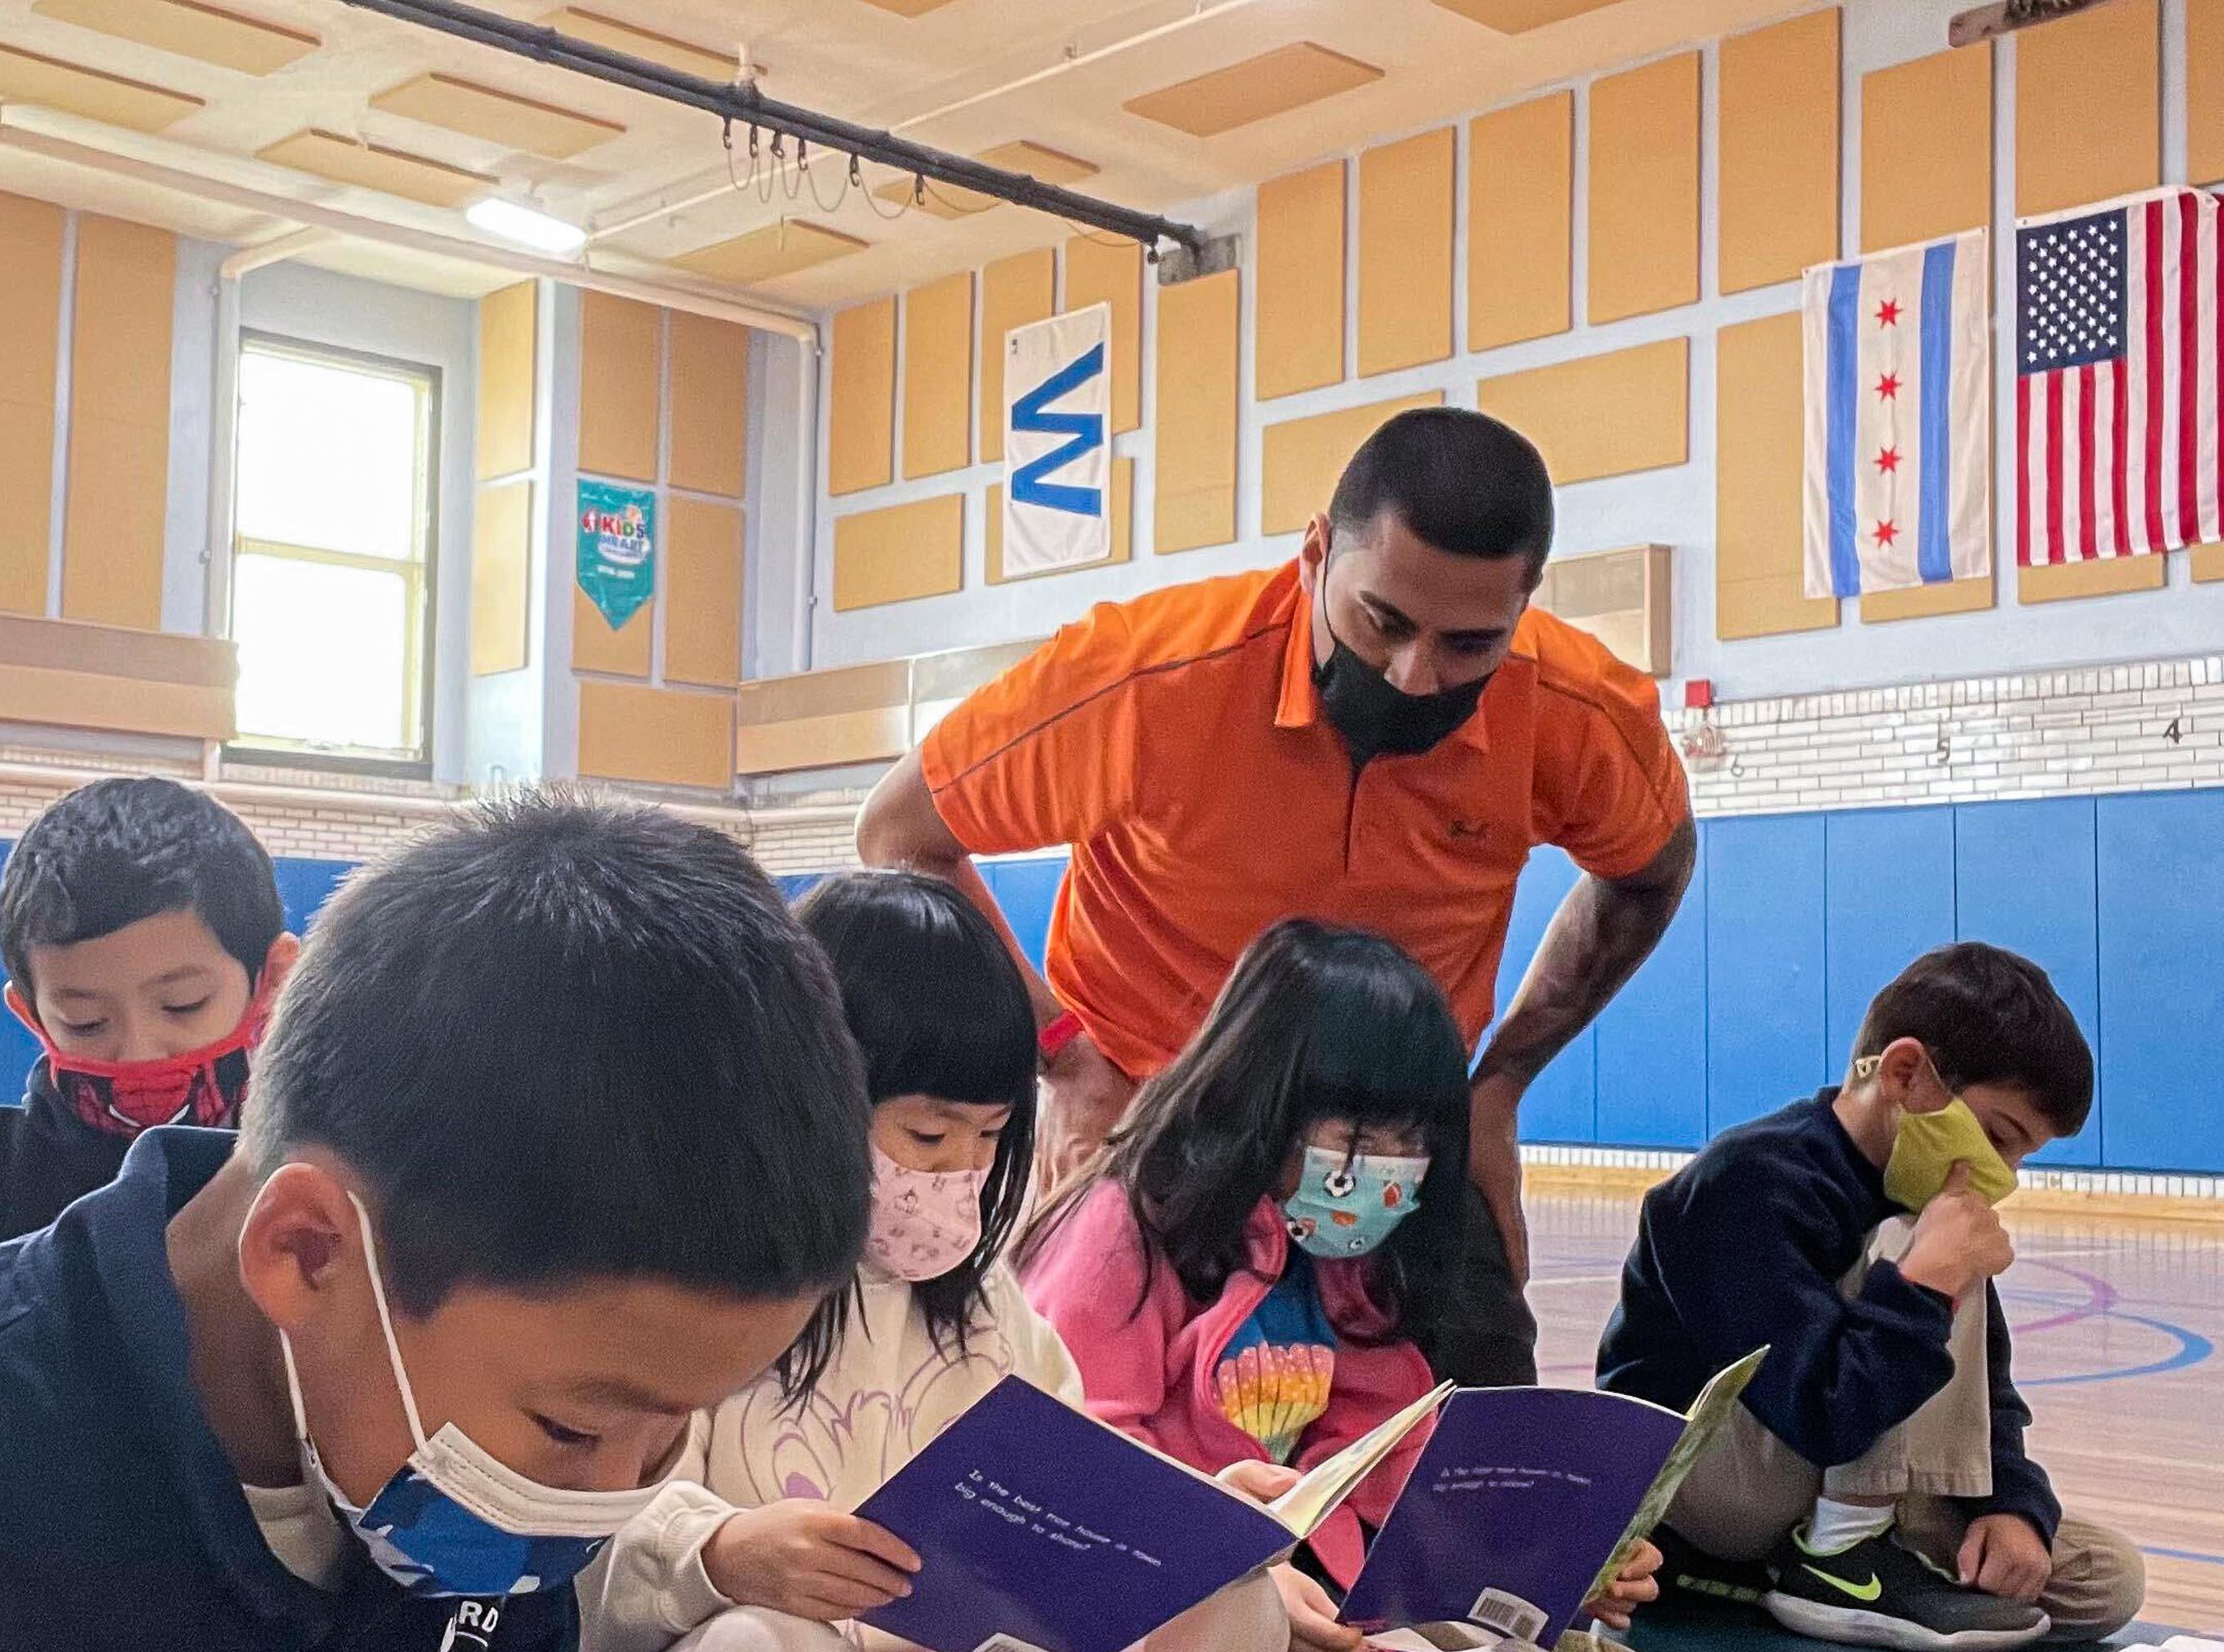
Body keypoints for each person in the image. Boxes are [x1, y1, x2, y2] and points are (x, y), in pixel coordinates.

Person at [0, 795, 878, 1651]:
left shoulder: (457, 1499)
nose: (604, 1504)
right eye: (574, 1431)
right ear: (306, 1250)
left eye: (670, 1436)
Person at [857, 406, 1696, 1387]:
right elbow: (900, 833)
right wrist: (1066, 1059)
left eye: (1469, 644)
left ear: (1526, 604)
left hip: (1400, 1141)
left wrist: (1501, 1082)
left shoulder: (1577, 712)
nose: (1415, 676)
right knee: (1113, 1449)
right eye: (1382, 621)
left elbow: (1649, 872)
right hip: (1159, 1123)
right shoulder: (1148, 676)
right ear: (1314, 554)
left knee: (1481, 1460)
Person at [585, 869, 1289, 1652]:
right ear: (810, 1100)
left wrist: (1194, 1519)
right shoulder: (705, 1292)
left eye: (990, 1138)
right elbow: (602, 1540)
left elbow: (1071, 1475)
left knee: (1239, 1598)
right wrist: (722, 1556)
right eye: (927, 1136)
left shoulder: (987, 1303)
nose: (961, 1169)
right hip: (802, 1634)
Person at [1016, 920, 1657, 1652]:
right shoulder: (1122, 1232)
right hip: (1144, 1583)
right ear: (1264, 1103)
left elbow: (1389, 1460)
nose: (1389, 1168)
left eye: (1411, 1142)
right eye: (1360, 1137)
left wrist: (1554, 1554)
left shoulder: (1337, 1257)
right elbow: (1071, 1459)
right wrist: (1233, 1565)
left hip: (1293, 1576)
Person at [1597, 943, 2146, 1650]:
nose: (2002, 1173)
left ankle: (1826, 1564)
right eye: (1998, 1138)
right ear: (1905, 1072)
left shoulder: (1924, 1199)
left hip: (1832, 1471)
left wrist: (2013, 1506)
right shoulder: (1746, 1182)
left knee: (2103, 1578)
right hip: (1704, 1483)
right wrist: (1924, 1278)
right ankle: (1836, 1558)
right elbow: (1820, 1412)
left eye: (2020, 1157)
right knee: (1922, 1241)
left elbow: (1986, 1398)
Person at [0, 775, 300, 1299]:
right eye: (85, 1021)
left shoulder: (327, 1183)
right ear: (31, 1014)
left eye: (183, 1004)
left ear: (273, 979)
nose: (138, 1052)